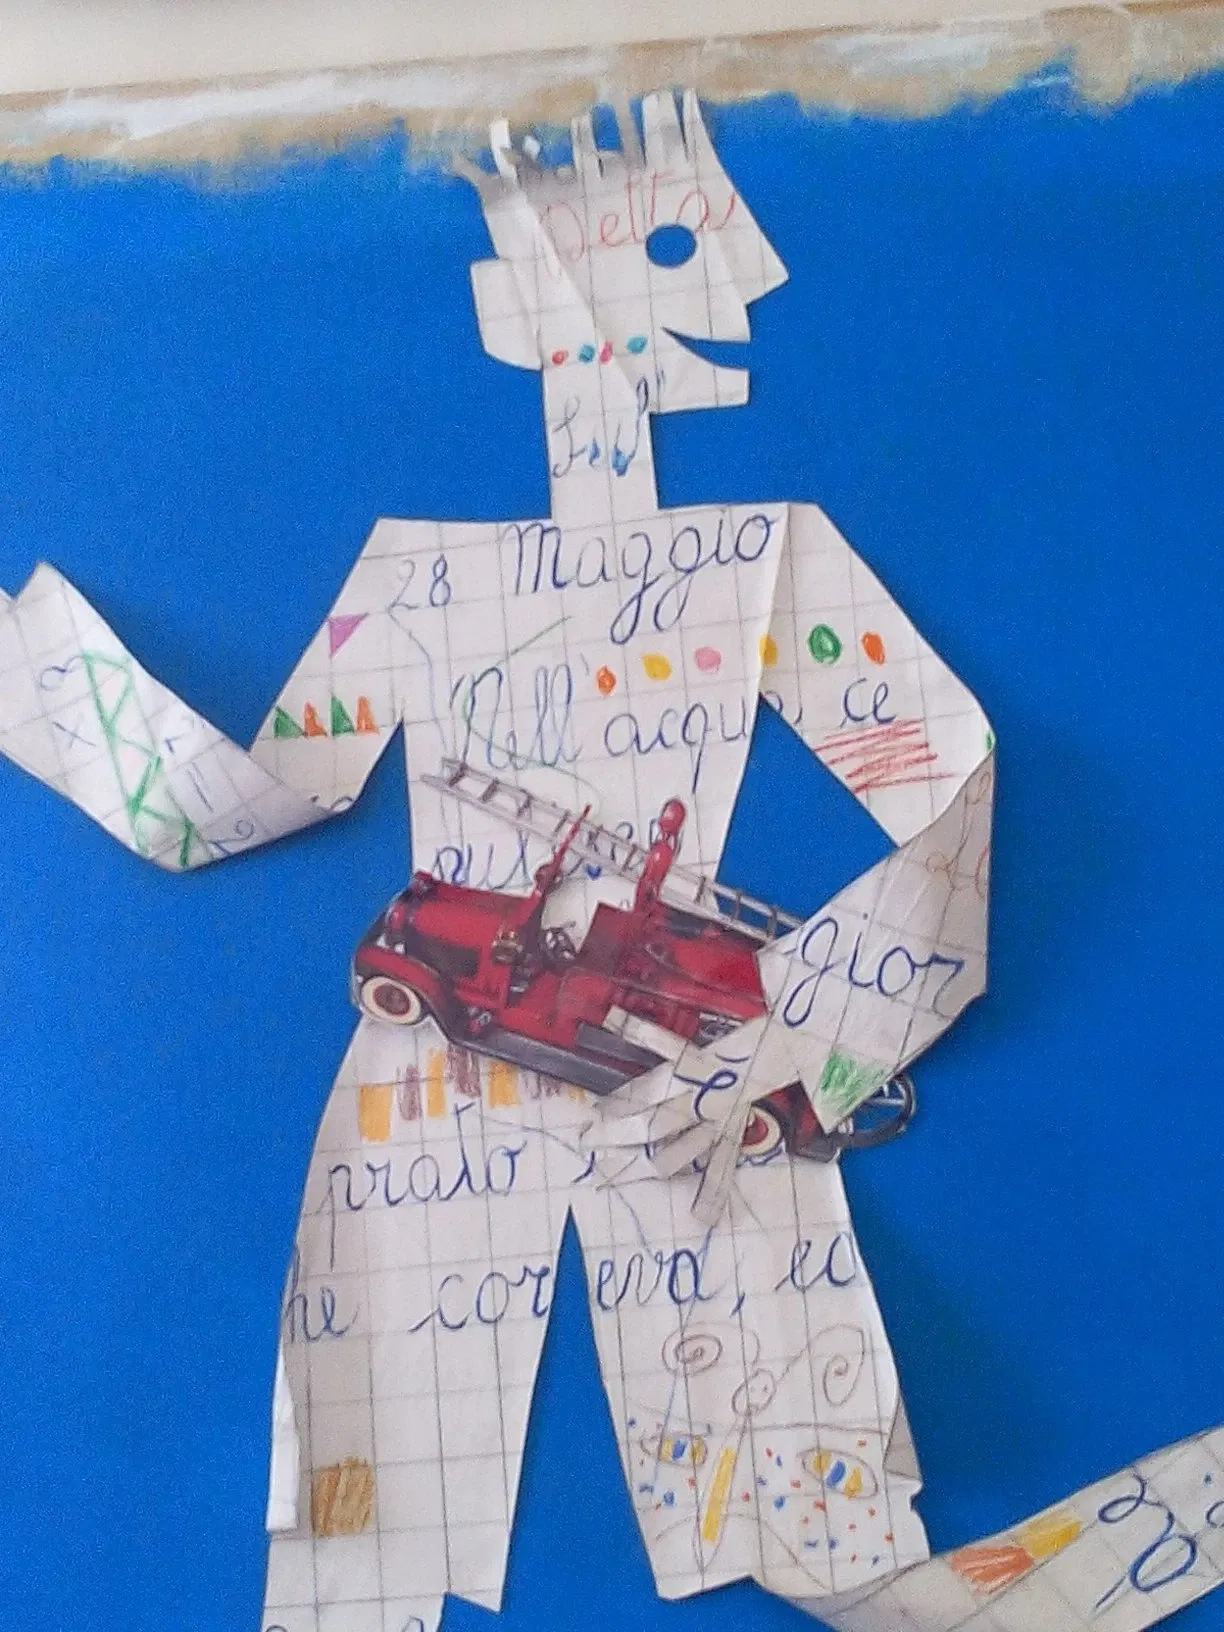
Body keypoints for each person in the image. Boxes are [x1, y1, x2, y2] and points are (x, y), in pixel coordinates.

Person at [2, 90, 1215, 1632]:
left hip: (699, 1070)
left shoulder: (765, 553)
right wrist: (53, 698)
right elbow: (264, 788)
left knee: (833, 1545)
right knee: (360, 1559)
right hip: (446, 1101)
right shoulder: (424, 577)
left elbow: (949, 795)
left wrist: (812, 1039)